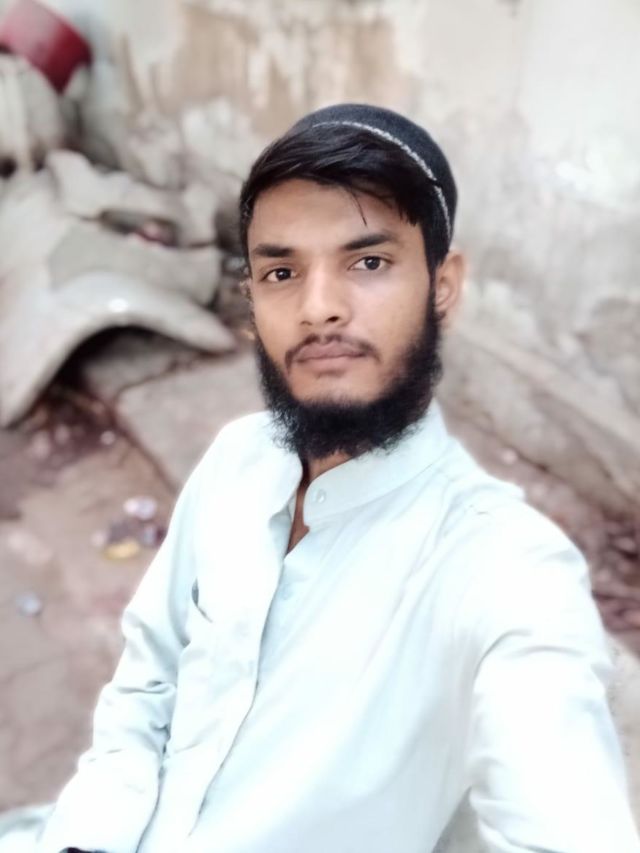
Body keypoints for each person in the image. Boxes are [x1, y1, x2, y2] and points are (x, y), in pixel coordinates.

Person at [39, 103, 640, 853]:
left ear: (443, 287)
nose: (319, 307)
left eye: (368, 262)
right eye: (281, 272)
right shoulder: (235, 460)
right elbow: (150, 675)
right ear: (252, 303)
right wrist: (90, 834)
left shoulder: (504, 570)